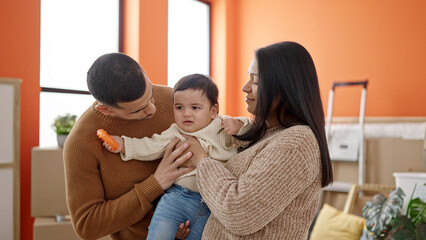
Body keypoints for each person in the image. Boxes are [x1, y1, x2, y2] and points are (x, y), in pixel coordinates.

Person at [182, 41, 334, 239]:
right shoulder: (267, 134)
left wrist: (201, 160)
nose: (245, 88)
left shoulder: (296, 143)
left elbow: (239, 212)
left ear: (284, 86)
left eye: (255, 80)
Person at [102, 74, 252, 240]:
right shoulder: (174, 132)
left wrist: (240, 126)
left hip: (213, 204)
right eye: (179, 107)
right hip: (177, 198)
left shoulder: (223, 126)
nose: (186, 114)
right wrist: (124, 144)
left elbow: (251, 139)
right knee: (158, 234)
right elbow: (150, 145)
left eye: (195, 108)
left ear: (213, 111)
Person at [63, 52, 194, 240]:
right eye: (139, 109)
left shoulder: (175, 98)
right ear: (105, 109)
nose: (152, 109)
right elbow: (87, 225)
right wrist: (155, 184)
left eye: (151, 95)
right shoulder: (81, 142)